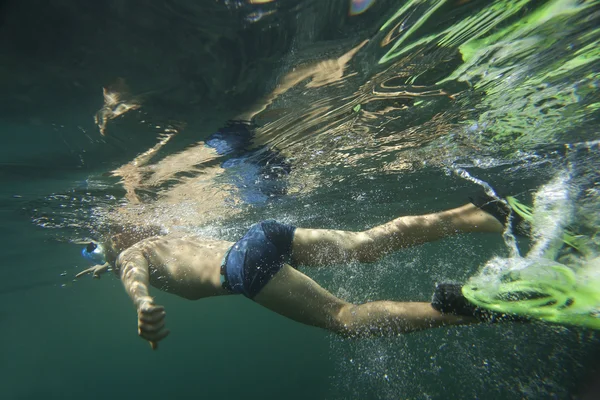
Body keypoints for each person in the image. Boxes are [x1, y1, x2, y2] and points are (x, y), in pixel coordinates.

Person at [77, 197, 519, 350]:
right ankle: (482, 215)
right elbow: (134, 263)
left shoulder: (130, 255)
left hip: (243, 268)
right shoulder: (164, 238)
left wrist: (143, 306)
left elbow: (133, 275)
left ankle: (468, 310)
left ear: (113, 240)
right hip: (258, 238)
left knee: (344, 318)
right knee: (365, 245)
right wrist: (108, 264)